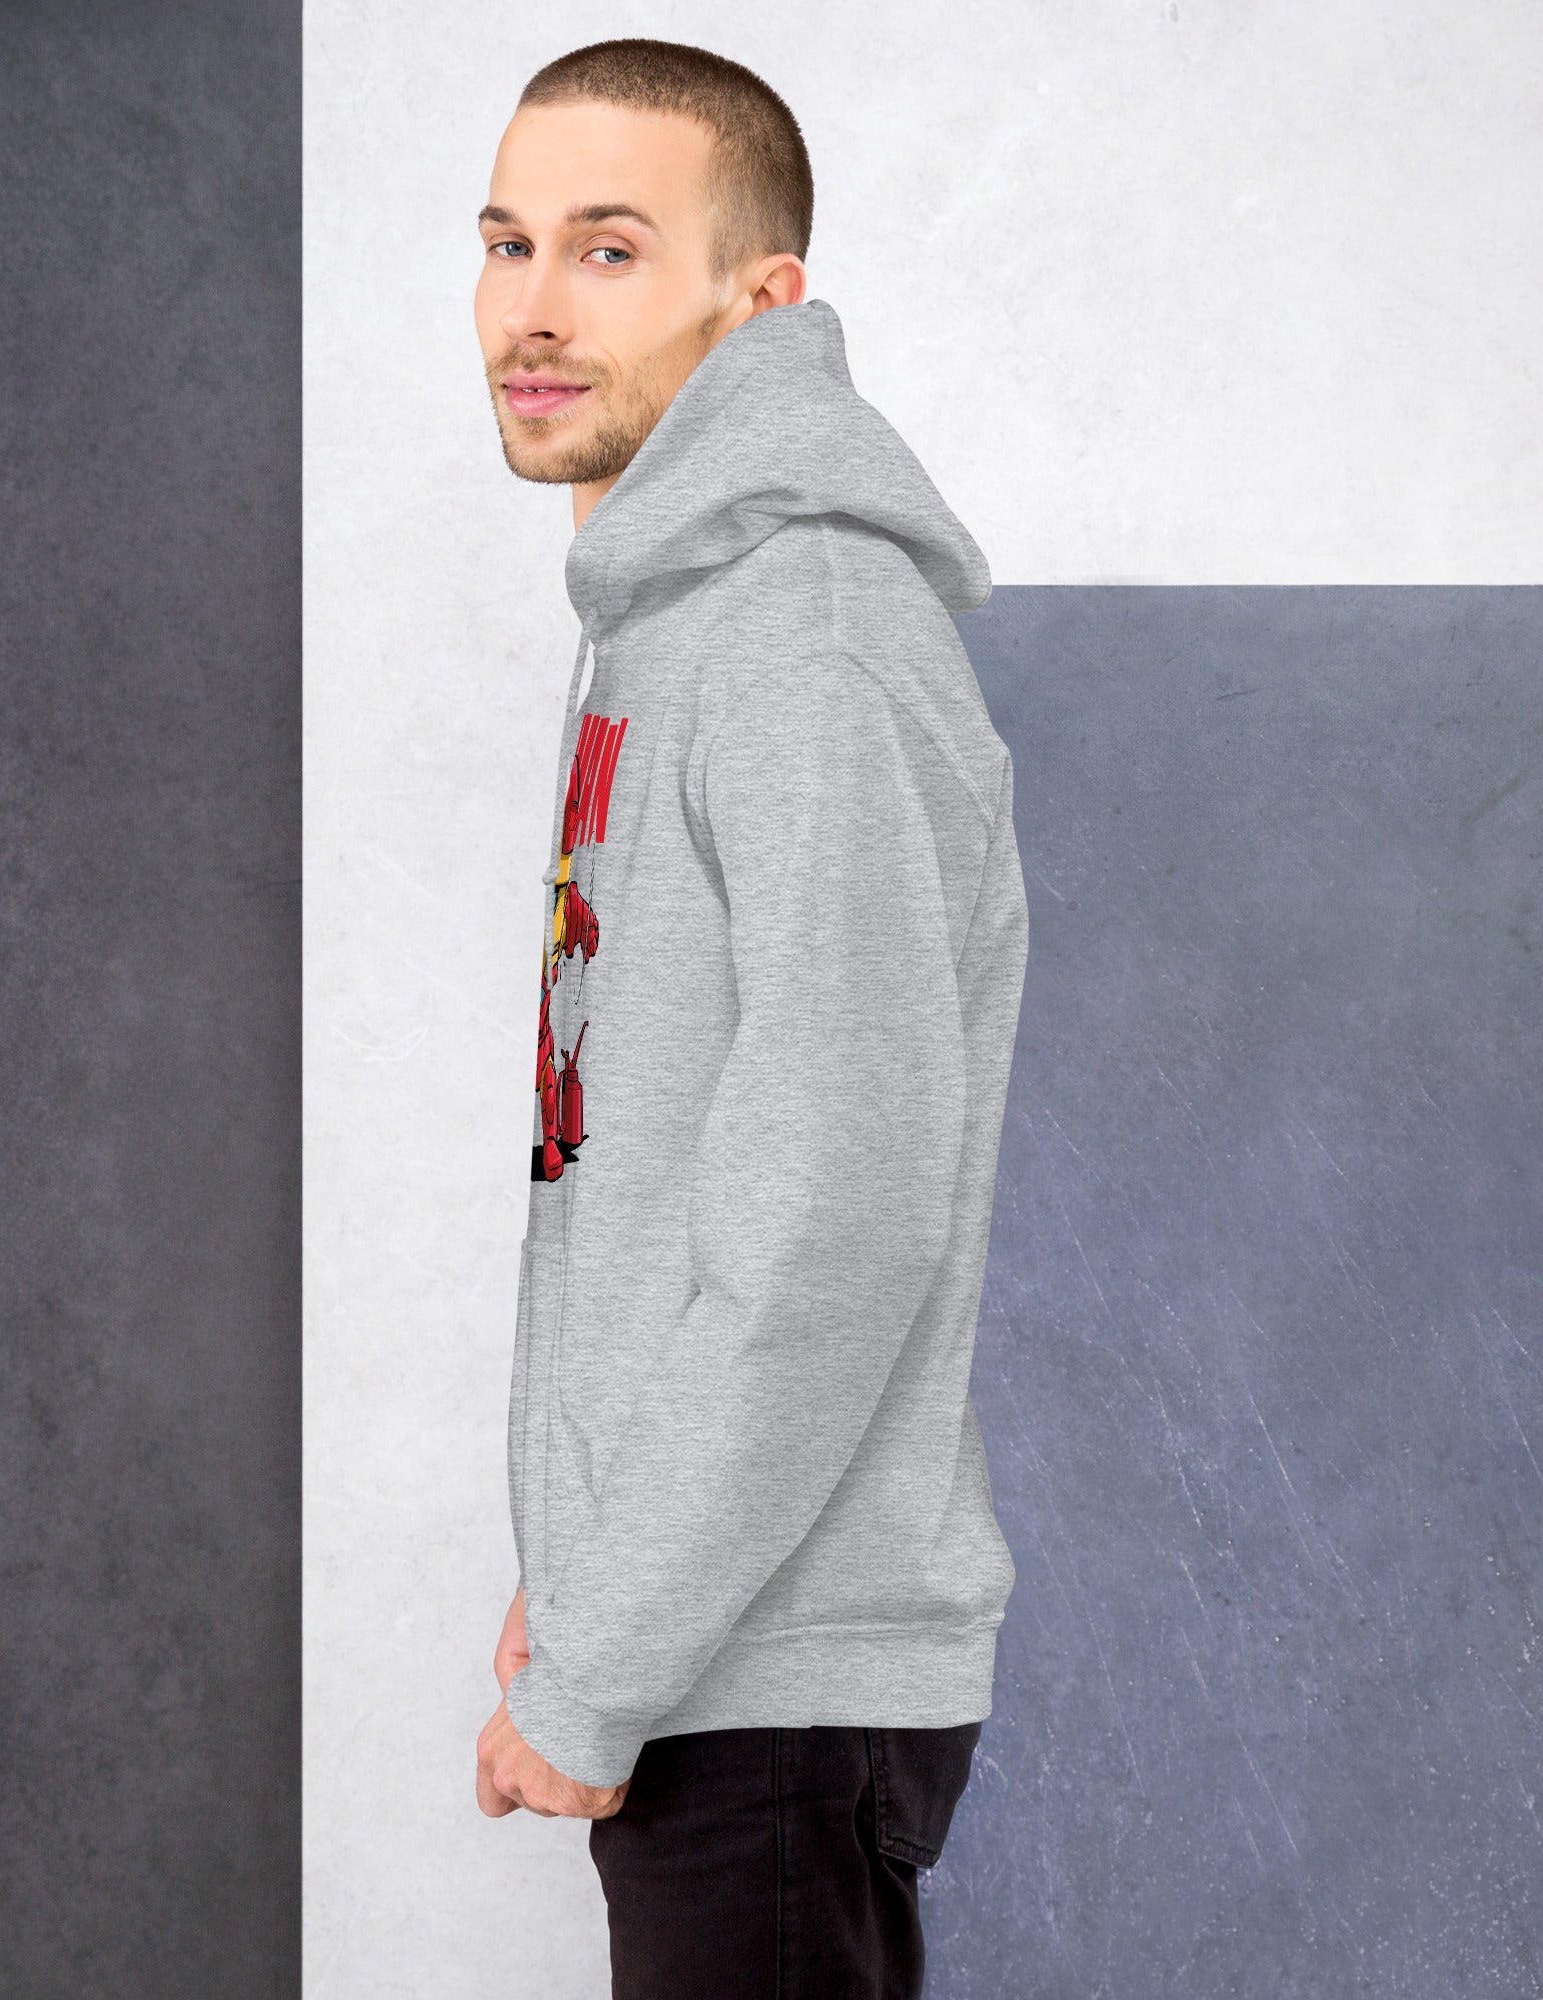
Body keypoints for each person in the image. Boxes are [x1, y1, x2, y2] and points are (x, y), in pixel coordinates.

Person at [469, 38, 1030, 1999]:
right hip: (711, 1650)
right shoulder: (672, 622)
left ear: (760, 298)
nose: (534, 308)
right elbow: (660, 1167)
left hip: (774, 1684)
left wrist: (606, 1657)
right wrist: (593, 1577)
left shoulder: (799, 638)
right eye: (509, 242)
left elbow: (832, 1221)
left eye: (610, 248)